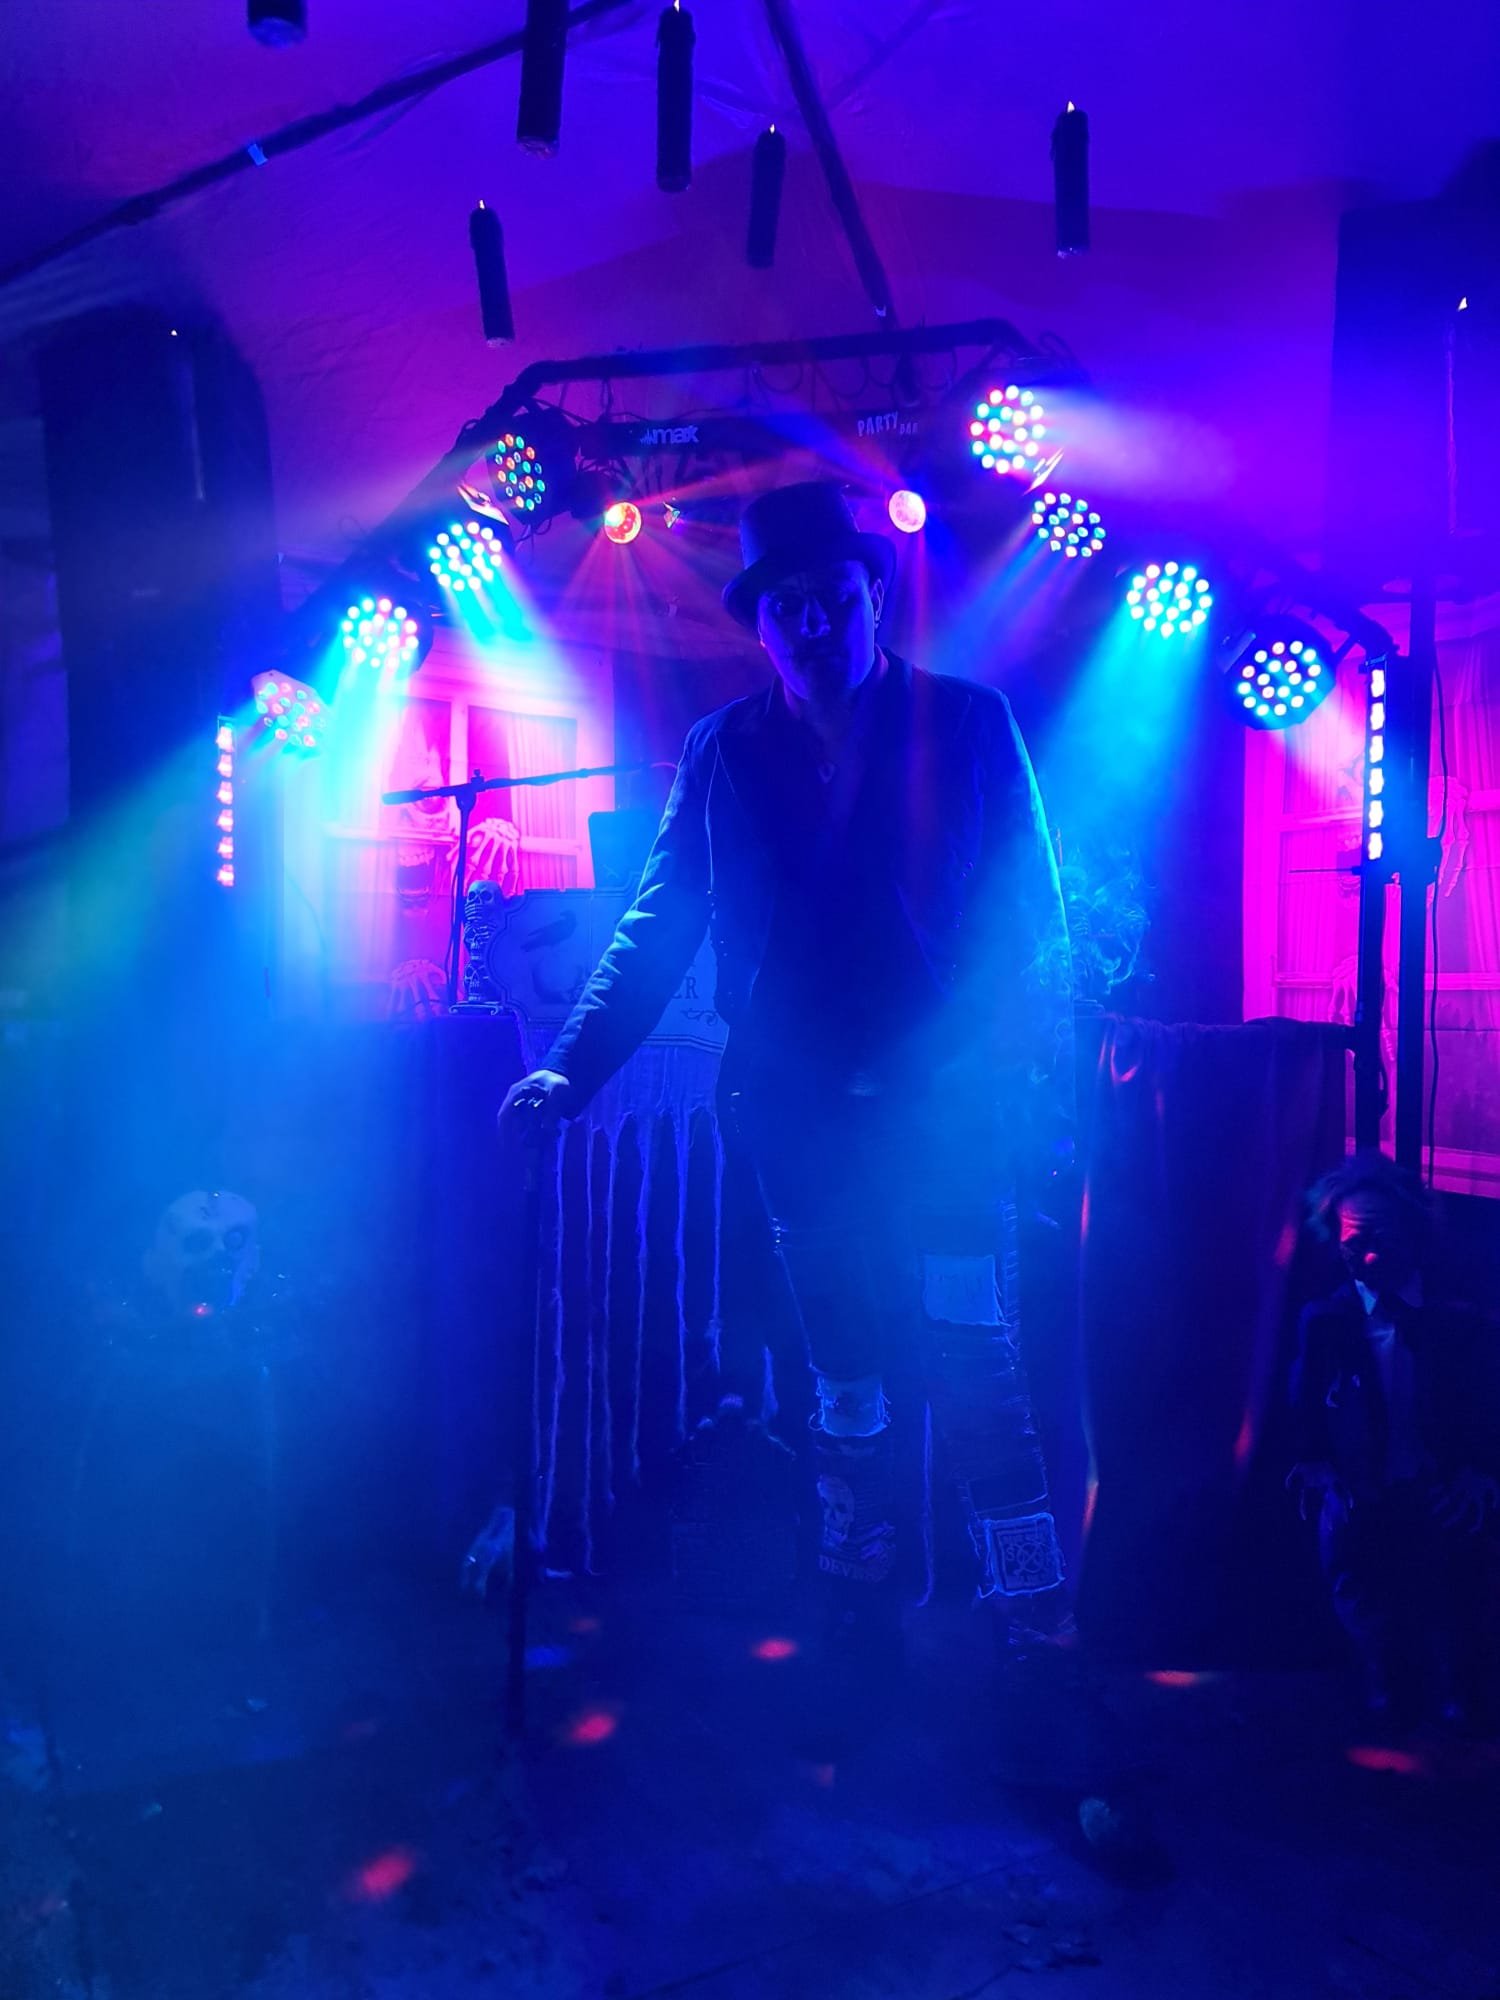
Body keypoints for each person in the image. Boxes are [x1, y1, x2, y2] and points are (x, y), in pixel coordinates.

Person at [502, 481, 1072, 1649]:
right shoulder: (724, 749)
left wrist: (991, 1078)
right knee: (845, 1369)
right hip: (800, 1119)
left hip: (943, 1120)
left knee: (973, 1357)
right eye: (785, 605)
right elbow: (657, 923)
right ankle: (859, 1602)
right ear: (759, 623)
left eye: (831, 597)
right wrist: (572, 1069)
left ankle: (1033, 1625)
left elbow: (1031, 931)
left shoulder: (965, 723)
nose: (811, 622)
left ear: (873, 597)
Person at [1288, 1153, 1500, 1731]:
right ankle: (1383, 1676)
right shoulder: (1326, 1322)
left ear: (1414, 1230)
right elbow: (1304, 1404)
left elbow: (1488, 1400)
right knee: (1356, 1576)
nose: (1370, 1257)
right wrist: (1316, 1464)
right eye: (1355, 1244)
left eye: (1382, 1238)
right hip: (1366, 1487)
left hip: (1441, 1486)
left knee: (1462, 1582)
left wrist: (1484, 1468)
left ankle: (1461, 1683)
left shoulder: (1464, 1318)